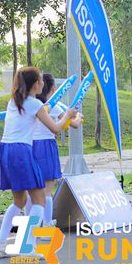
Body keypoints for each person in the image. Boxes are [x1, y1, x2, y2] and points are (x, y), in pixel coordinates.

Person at [0, 67, 79, 259]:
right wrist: (68, 114)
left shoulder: (14, 101)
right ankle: (28, 246)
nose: (43, 83)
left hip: (6, 150)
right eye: (40, 80)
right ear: (34, 84)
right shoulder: (34, 104)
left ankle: (0, 245)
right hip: (21, 151)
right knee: (39, 199)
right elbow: (55, 128)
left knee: (20, 201)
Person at [25, 74, 81, 226]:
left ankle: (29, 224)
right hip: (46, 147)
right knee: (47, 190)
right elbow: (74, 124)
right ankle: (47, 224)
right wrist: (78, 117)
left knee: (31, 189)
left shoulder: (31, 104)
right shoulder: (53, 106)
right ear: (54, 88)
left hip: (29, 146)